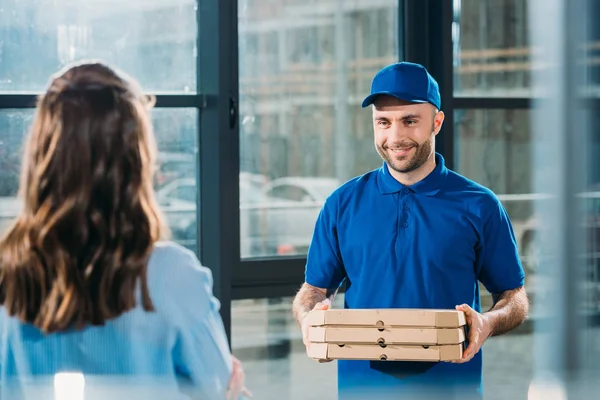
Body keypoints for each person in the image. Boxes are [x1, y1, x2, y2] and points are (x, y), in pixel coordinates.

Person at [0, 61, 250, 400]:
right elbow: (219, 387)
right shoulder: (173, 275)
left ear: (42, 156)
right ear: (136, 158)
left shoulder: (8, 272)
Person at [292, 62, 529, 400]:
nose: (395, 137)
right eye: (383, 122)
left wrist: (487, 323)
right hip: (362, 391)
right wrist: (308, 320)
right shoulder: (341, 204)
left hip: (451, 390)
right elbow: (314, 290)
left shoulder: (479, 205)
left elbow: (514, 298)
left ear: (436, 122)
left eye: (410, 121)